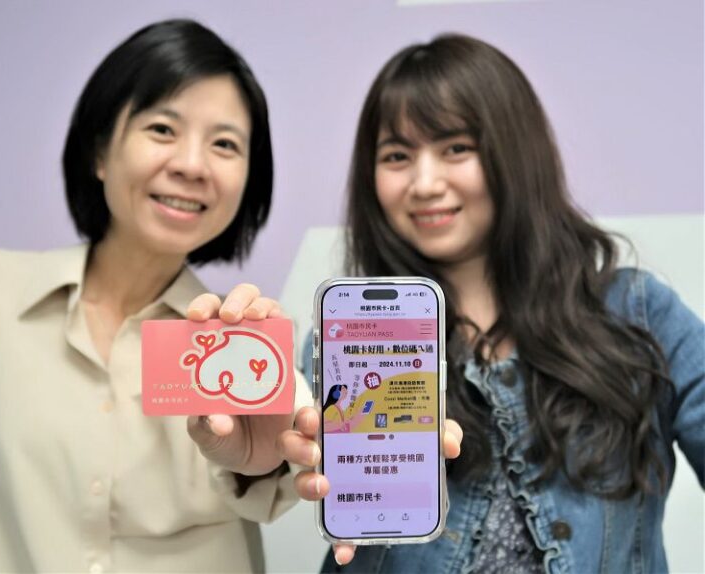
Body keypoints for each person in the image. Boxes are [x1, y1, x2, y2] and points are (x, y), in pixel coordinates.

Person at [278, 33, 704, 573]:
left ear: (513, 152)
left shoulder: (638, 313)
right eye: (397, 156)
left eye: (456, 148)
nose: (424, 183)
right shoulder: (350, 339)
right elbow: (272, 473)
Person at [0, 19, 311, 573]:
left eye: (225, 144)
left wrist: (272, 458)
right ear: (100, 152)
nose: (191, 165)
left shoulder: (247, 343)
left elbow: (295, 455)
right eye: (162, 129)